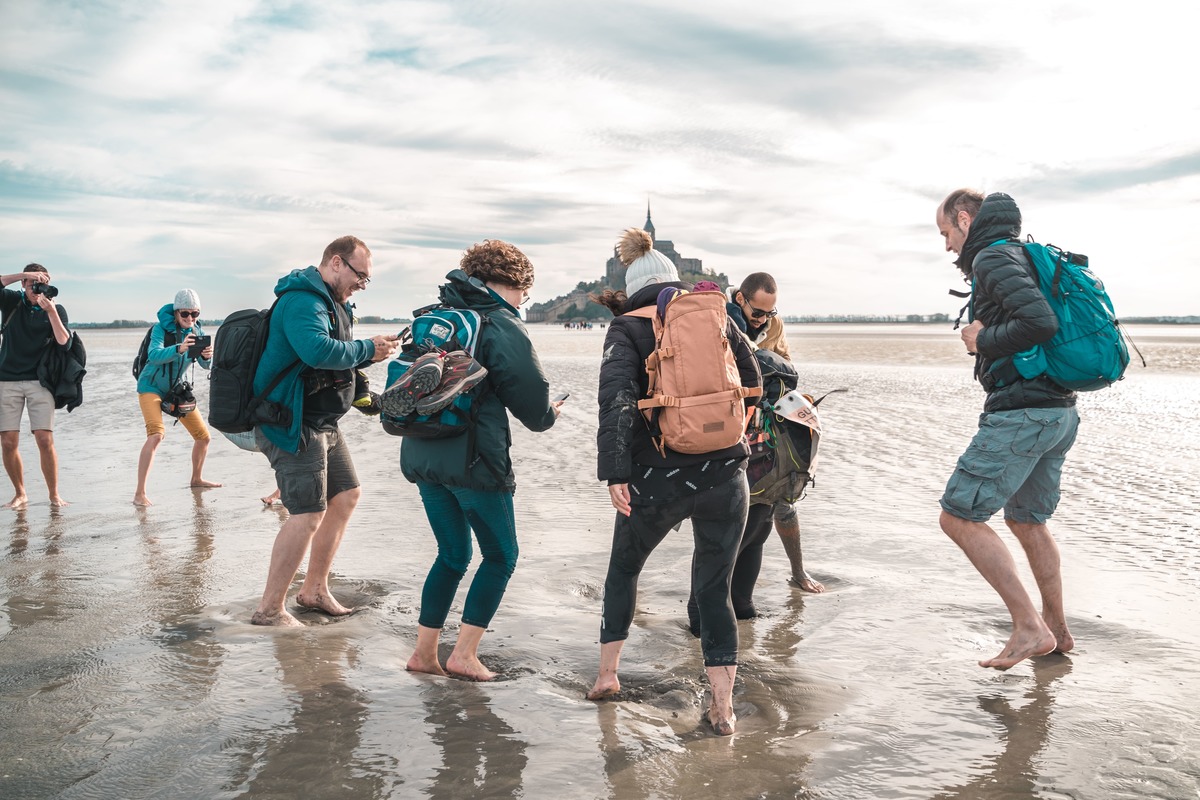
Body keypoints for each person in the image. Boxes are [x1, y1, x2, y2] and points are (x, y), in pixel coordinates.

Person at [586, 227, 761, 736]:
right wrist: (739, 432)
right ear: (674, 281)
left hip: (655, 479)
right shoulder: (716, 317)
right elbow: (753, 382)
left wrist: (615, 472)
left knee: (624, 571)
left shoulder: (626, 327)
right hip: (726, 473)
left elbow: (616, 403)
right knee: (715, 589)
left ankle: (607, 677)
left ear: (633, 285)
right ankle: (722, 707)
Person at [402, 240, 561, 681]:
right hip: (472, 459)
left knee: (452, 554)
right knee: (501, 555)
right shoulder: (499, 323)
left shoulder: (435, 315)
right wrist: (550, 414)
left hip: (421, 452)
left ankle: (424, 654)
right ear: (508, 285)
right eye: (523, 295)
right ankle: (464, 655)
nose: (522, 304)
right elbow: (532, 404)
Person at [935, 189, 1079, 670]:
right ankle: (1056, 629)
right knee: (1026, 520)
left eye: (947, 234)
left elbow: (1040, 322)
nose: (948, 247)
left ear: (963, 218)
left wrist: (982, 339)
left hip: (1023, 413)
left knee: (958, 515)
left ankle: (1027, 626)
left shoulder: (993, 258)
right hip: (1057, 412)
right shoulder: (1019, 254)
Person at [250, 236, 400, 627]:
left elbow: (339, 361)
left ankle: (314, 590)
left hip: (322, 422)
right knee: (307, 512)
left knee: (346, 494)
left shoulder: (333, 303)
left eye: (366, 280)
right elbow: (317, 351)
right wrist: (369, 348)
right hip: (291, 421)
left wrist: (365, 396)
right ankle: (269, 610)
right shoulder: (303, 300)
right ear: (336, 262)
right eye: (360, 276)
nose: (361, 285)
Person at [133, 289, 222, 506]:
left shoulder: (197, 330)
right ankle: (139, 494)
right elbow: (153, 355)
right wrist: (179, 348)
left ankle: (196, 479)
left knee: (204, 437)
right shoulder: (160, 329)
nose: (190, 319)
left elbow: (203, 365)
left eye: (195, 314)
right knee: (156, 435)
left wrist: (206, 356)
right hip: (150, 387)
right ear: (176, 313)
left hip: (175, 390)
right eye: (185, 314)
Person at [0, 264, 72, 509]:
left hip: (40, 381)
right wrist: (24, 275)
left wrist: (51, 311)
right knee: (8, 441)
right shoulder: (11, 301)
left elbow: (64, 342)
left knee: (44, 438)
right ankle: (20, 493)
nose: (37, 290)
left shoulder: (56, 309)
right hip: (7, 378)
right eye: (33, 285)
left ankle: (54, 494)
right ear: (24, 285)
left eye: (42, 285)